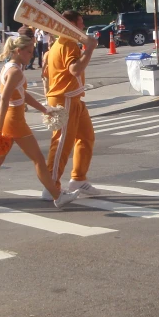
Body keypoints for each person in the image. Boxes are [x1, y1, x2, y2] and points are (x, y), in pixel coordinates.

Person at [0, 35, 80, 213]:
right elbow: (4, 98)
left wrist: (44, 109)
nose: (32, 55)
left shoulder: (10, 67)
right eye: (29, 52)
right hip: (13, 121)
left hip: (10, 120)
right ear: (18, 51)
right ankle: (58, 196)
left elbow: (23, 94)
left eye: (32, 51)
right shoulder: (15, 71)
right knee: (38, 159)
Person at [43, 11, 99, 200]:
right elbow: (74, 69)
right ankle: (51, 188)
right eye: (80, 22)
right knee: (61, 144)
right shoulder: (67, 42)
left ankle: (78, 179)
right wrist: (89, 48)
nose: (82, 27)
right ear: (71, 24)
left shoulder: (61, 43)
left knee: (86, 137)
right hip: (64, 98)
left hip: (72, 98)